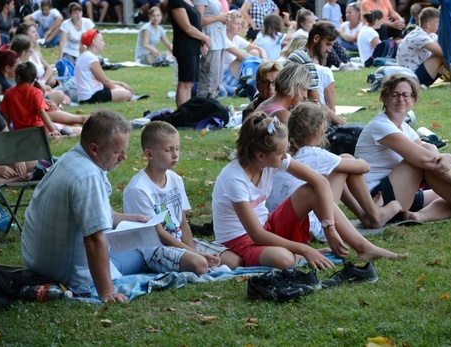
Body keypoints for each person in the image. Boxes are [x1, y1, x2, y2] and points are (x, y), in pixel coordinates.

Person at [211, 112, 407, 269]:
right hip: (240, 241)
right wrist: (304, 250)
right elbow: (256, 236)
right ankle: (295, 255)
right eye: (281, 153)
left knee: (311, 191)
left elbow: (319, 183)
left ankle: (364, 247)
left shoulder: (272, 160)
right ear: (261, 155)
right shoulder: (234, 178)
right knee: (284, 260)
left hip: (268, 226)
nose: (286, 156)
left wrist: (329, 227)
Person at [22, 110, 148, 303]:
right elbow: (94, 240)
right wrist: (107, 292)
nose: (124, 157)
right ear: (94, 149)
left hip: (38, 264)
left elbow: (95, 214)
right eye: (117, 152)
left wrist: (131, 219)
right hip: (69, 275)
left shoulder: (72, 157)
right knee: (143, 252)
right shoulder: (87, 176)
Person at [355, 73, 451, 223]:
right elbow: (427, 160)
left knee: (450, 196)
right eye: (395, 95)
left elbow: (429, 149)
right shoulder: (381, 125)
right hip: (377, 197)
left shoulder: (403, 127)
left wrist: (448, 157)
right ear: (384, 99)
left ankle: (418, 216)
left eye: (406, 95)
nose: (401, 99)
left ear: (413, 100)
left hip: (401, 191)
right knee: (421, 161)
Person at [267, 102, 402, 238]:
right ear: (319, 131)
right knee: (344, 163)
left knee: (340, 164)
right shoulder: (314, 153)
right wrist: (358, 160)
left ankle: (365, 215)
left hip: (281, 220)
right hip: (316, 225)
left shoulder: (285, 151)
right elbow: (364, 167)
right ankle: (375, 215)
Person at [123, 121, 243, 273]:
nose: (175, 155)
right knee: (199, 264)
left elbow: (183, 223)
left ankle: (201, 263)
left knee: (235, 261)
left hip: (180, 242)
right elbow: (159, 234)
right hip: (157, 249)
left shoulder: (175, 179)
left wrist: (193, 250)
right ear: (149, 154)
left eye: (177, 148)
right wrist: (197, 255)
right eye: (168, 150)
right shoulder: (138, 189)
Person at [286, 21, 347, 125]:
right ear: (316, 39)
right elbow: (316, 102)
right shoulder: (305, 61)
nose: (329, 50)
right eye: (327, 44)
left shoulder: (301, 54)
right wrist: (344, 125)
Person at [0, 77, 37, 186]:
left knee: (32, 159)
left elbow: (10, 143)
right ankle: (15, 180)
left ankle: (2, 179)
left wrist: (17, 159)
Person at [168, 0, 211, 107]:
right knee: (184, 82)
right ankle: (182, 113)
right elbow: (187, 28)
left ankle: (186, 111)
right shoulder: (176, 2)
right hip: (184, 46)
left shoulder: (190, 2)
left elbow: (196, 24)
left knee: (190, 83)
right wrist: (205, 37)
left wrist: (203, 41)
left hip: (194, 46)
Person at [0, 62, 60, 137]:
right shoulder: (36, 92)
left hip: (19, 132)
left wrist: (6, 133)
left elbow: (6, 116)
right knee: (61, 128)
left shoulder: (9, 92)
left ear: (18, 77)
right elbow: (41, 112)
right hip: (38, 132)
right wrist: (52, 130)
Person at [75, 29, 133, 103]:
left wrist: (119, 83)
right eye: (101, 40)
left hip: (91, 93)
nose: (104, 44)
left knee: (123, 89)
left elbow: (100, 80)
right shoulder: (90, 58)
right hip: (90, 96)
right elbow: (104, 81)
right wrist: (116, 90)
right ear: (93, 42)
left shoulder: (87, 55)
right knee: (127, 94)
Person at [222, 10, 267, 94]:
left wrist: (265, 58)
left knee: (255, 52)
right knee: (246, 59)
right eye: (237, 24)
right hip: (224, 77)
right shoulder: (224, 39)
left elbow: (259, 48)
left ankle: (250, 86)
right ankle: (250, 86)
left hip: (234, 74)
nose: (240, 27)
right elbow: (243, 57)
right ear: (228, 26)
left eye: (240, 24)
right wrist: (264, 64)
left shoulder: (235, 38)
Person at [195, 0, 228, 98]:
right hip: (210, 39)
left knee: (217, 79)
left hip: (220, 40)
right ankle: (203, 104)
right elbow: (198, 20)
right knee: (209, 78)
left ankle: (211, 104)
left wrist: (224, 18)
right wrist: (218, 17)